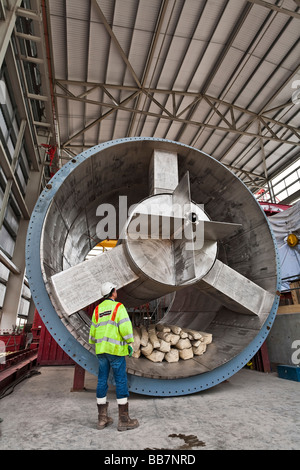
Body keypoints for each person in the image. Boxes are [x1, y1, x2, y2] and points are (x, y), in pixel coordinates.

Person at [89, 281, 139, 431]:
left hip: (101, 351)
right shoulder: (118, 307)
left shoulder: (97, 310)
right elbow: (125, 328)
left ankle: (102, 419)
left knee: (102, 380)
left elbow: (92, 334)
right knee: (121, 380)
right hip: (116, 351)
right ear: (113, 292)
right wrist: (130, 342)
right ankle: (124, 420)